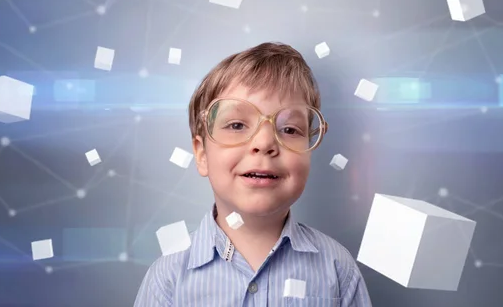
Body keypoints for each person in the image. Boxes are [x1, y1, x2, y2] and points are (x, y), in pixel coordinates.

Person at [134, 42, 372, 306]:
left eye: (290, 129)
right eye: (236, 125)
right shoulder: (168, 278)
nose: (265, 143)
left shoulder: (337, 270)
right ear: (202, 155)